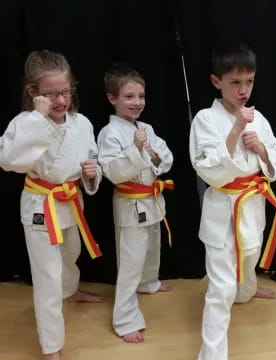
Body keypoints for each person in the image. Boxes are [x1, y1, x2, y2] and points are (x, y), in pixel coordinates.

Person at [0, 50, 103, 360]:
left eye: (66, 91)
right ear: (33, 93)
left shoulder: (81, 122)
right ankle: (51, 347)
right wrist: (38, 120)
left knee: (71, 254)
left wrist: (92, 172)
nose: (61, 100)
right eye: (51, 94)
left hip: (71, 200)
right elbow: (7, 160)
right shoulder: (25, 123)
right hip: (40, 204)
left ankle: (71, 292)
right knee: (47, 276)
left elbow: (92, 155)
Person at [189, 43, 276, 360]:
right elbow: (207, 169)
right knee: (221, 289)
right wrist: (235, 130)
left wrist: (261, 151)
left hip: (252, 204)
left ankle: (247, 290)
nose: (244, 90)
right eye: (235, 83)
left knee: (249, 258)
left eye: (249, 82)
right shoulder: (205, 119)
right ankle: (212, 355)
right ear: (217, 81)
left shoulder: (259, 119)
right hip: (223, 206)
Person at [97, 63, 174, 344]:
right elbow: (112, 171)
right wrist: (136, 148)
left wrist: (152, 155)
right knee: (130, 261)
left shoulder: (147, 128)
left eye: (141, 96)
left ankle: (148, 282)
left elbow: (165, 157)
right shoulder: (110, 132)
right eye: (129, 97)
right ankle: (125, 318)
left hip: (152, 198)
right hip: (130, 202)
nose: (137, 102)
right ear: (112, 98)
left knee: (152, 249)